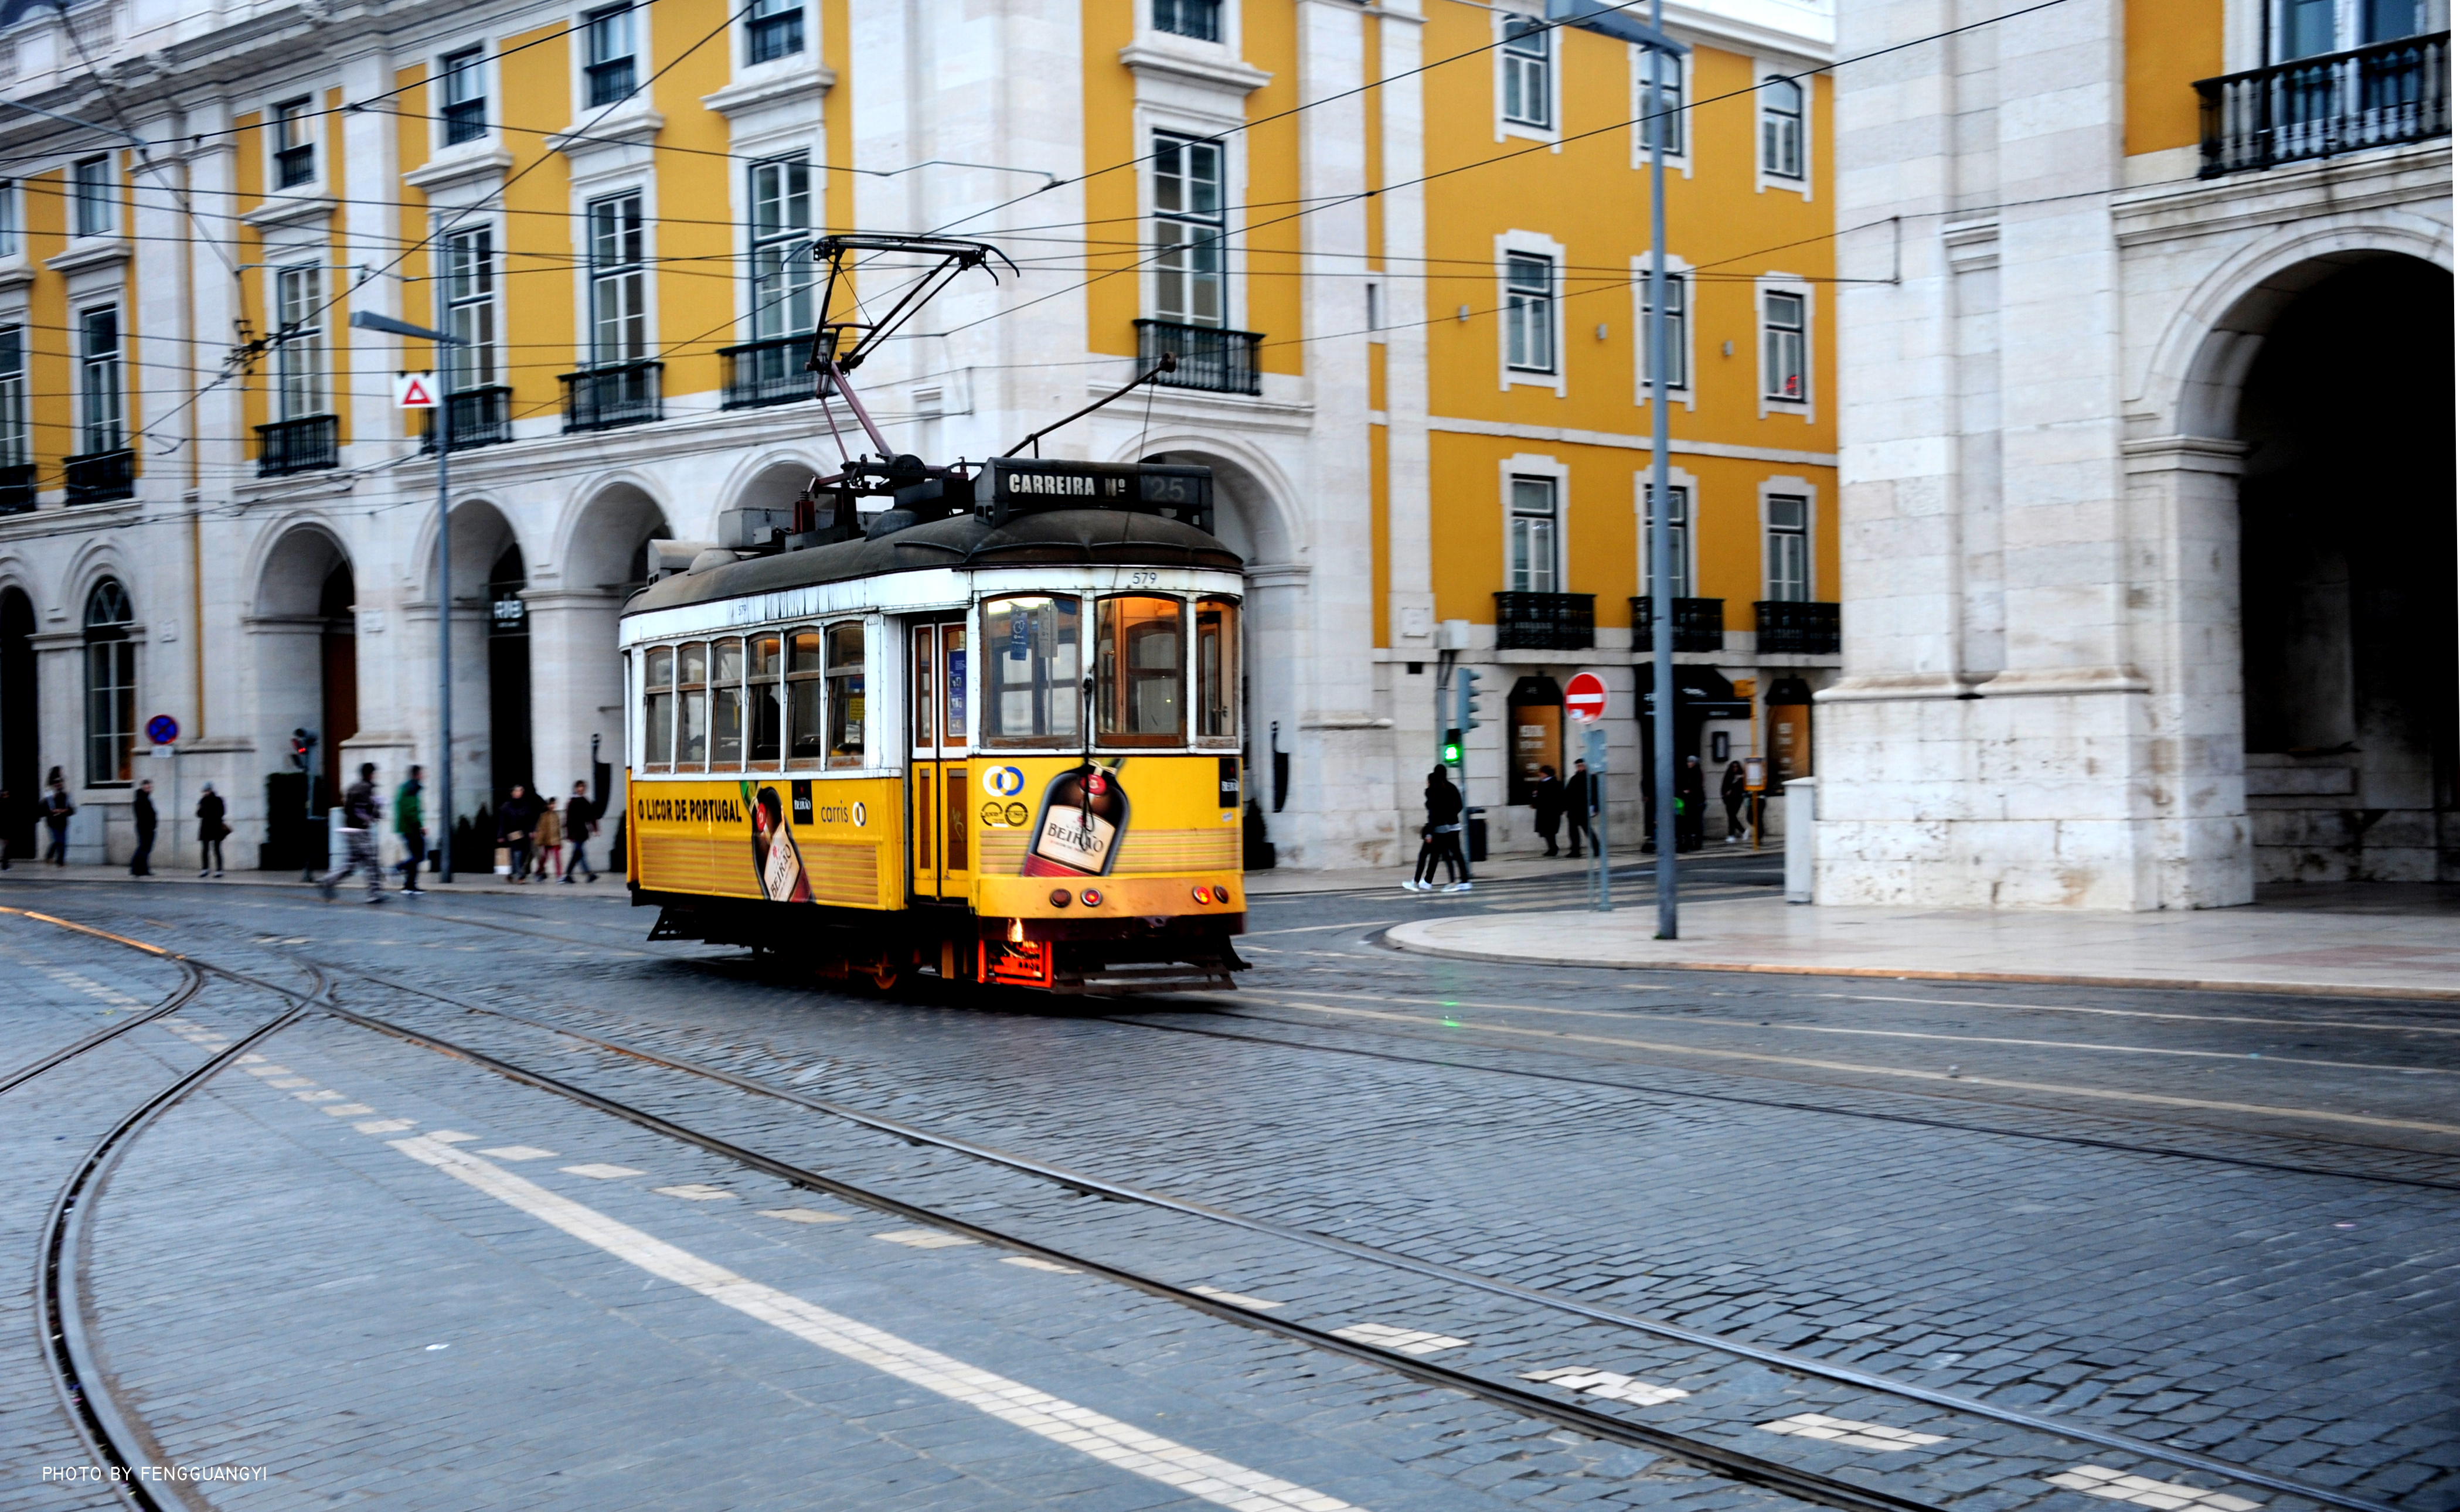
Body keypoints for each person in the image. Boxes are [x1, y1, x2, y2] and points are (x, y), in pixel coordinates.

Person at [318, 761, 387, 903]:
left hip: (350, 829)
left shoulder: (354, 787)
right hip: (359, 830)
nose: (376, 776)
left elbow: (349, 808)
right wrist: (376, 812)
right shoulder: (366, 788)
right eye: (374, 773)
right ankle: (375, 893)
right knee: (371, 860)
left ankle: (328, 881)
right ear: (370, 774)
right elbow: (363, 809)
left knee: (351, 864)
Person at [1407, 766, 1470, 893]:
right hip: (1452, 825)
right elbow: (1459, 806)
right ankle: (1460, 880)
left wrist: (1444, 819)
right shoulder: (1451, 787)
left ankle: (1429, 882)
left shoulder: (1437, 790)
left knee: (1444, 854)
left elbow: (1434, 812)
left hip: (1443, 827)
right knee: (1450, 854)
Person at [394, 765, 427, 894]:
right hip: (410, 828)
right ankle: (396, 868)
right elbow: (411, 811)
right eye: (421, 774)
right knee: (419, 856)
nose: (423, 776)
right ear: (417, 775)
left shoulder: (407, 787)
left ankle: (409, 886)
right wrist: (420, 826)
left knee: (415, 857)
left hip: (407, 828)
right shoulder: (411, 788)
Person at [496, 784, 536, 882]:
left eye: (521, 791)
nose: (519, 793)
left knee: (522, 855)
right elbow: (502, 822)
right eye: (517, 791)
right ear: (513, 793)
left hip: (523, 833)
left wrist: (532, 830)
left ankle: (511, 874)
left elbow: (530, 819)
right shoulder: (506, 807)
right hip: (512, 834)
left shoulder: (525, 805)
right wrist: (500, 835)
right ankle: (520, 876)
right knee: (517, 854)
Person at [564, 781, 600, 883]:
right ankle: (588, 873)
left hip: (582, 832)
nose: (581, 789)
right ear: (576, 788)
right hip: (575, 832)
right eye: (579, 787)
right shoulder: (572, 802)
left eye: (583, 787)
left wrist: (595, 829)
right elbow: (568, 819)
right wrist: (569, 834)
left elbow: (591, 817)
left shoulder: (585, 801)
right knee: (580, 853)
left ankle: (568, 874)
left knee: (577, 854)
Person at [1563, 759, 1597, 859]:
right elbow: (1567, 794)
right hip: (1573, 809)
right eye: (1578, 766)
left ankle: (1597, 849)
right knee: (1573, 831)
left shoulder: (1591, 778)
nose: (1580, 768)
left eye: (1582, 766)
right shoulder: (1574, 779)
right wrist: (1565, 807)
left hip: (1584, 808)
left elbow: (1595, 794)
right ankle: (1575, 850)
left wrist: (1595, 807)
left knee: (1588, 830)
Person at [1530, 764, 1564, 857]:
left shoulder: (1555, 783)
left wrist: (1561, 809)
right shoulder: (1542, 783)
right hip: (1543, 811)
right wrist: (1535, 796)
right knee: (1545, 831)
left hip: (1551, 811)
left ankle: (1553, 848)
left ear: (1546, 773)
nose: (1540, 774)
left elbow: (1558, 798)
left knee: (1550, 831)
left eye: (1542, 773)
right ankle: (1552, 848)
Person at [41, 769, 73, 866]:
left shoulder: (65, 795)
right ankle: (51, 856)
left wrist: (64, 811)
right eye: (57, 783)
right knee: (57, 841)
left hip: (62, 821)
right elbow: (43, 809)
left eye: (60, 783)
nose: (59, 784)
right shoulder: (49, 795)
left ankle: (60, 861)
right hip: (53, 821)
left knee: (62, 842)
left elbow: (71, 809)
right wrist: (52, 811)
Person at [1676, 754, 1707, 852]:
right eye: (1688, 762)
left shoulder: (1698, 773)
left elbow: (1697, 786)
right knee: (1688, 823)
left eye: (1691, 762)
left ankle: (1698, 843)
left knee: (1698, 823)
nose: (1689, 764)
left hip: (1697, 801)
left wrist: (1689, 791)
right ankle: (1689, 843)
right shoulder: (1686, 773)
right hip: (1688, 801)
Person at [196, 784, 227, 876]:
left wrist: (208, 811)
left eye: (207, 791)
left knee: (217, 849)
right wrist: (202, 810)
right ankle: (205, 869)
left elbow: (222, 812)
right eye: (204, 791)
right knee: (205, 850)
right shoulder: (202, 800)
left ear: (211, 790)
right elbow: (199, 814)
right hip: (205, 827)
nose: (205, 793)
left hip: (216, 827)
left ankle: (219, 870)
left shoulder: (218, 800)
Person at [130, 779, 157, 876]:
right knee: (143, 848)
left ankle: (143, 869)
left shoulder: (145, 798)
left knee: (145, 849)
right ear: (143, 788)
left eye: (150, 787)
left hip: (148, 827)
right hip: (145, 828)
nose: (149, 789)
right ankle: (136, 868)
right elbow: (143, 816)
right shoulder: (141, 800)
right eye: (147, 787)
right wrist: (149, 826)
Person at [534, 797, 564, 881]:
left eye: (554, 804)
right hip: (547, 841)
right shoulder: (544, 816)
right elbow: (542, 829)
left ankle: (559, 875)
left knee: (557, 858)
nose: (552, 806)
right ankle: (539, 871)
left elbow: (558, 829)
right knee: (544, 859)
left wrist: (560, 841)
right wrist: (540, 841)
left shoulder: (556, 816)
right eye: (551, 804)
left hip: (556, 841)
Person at [1721, 760, 1748, 844]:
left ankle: (1734, 834)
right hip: (1729, 799)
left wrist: (1733, 790)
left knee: (1732, 816)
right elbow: (1724, 786)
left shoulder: (1741, 777)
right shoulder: (1728, 775)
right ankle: (1738, 833)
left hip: (1737, 799)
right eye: (1733, 767)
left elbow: (1742, 789)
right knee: (1731, 817)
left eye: (1736, 767)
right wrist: (1725, 794)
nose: (1735, 769)